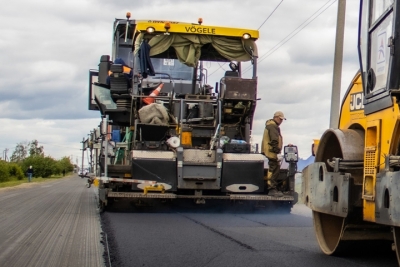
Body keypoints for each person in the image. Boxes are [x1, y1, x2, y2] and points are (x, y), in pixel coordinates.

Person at [261, 111, 286, 197]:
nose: (281, 121)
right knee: (274, 169)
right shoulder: (272, 126)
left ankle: (273, 188)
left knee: (274, 168)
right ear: (276, 117)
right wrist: (277, 151)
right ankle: (272, 188)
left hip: (271, 151)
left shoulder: (270, 125)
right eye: (280, 119)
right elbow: (274, 140)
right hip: (272, 151)